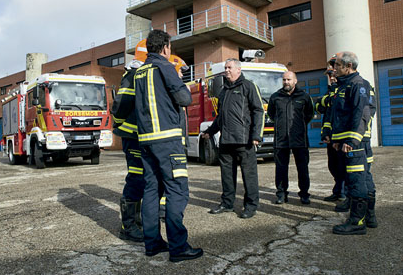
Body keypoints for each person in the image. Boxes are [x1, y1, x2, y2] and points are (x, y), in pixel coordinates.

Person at [134, 29, 203, 262]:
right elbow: (185, 99)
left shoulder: (139, 72)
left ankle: (152, 243)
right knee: (176, 190)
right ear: (165, 48)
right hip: (168, 140)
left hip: (146, 141)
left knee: (151, 191)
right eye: (170, 48)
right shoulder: (165, 67)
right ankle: (178, 247)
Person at [202, 58, 264, 219]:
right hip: (226, 141)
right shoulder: (223, 91)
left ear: (238, 69)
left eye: (229, 67)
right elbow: (220, 117)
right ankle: (227, 203)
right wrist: (210, 130)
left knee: (249, 176)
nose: (226, 70)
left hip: (244, 141)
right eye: (225, 68)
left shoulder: (249, 86)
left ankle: (250, 206)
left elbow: (259, 111)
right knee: (227, 175)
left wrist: (257, 135)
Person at [323, 51, 377, 235]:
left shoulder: (358, 85)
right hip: (346, 142)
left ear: (348, 67)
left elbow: (360, 114)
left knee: (357, 181)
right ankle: (367, 218)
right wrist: (337, 140)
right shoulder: (343, 86)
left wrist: (352, 140)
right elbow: (338, 116)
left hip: (356, 143)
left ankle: (357, 222)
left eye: (337, 65)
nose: (334, 68)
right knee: (359, 179)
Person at [111, 58, 146, 242]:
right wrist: (119, 124)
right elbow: (121, 104)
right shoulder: (132, 76)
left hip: (139, 137)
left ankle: (136, 222)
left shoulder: (138, 75)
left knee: (141, 180)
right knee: (136, 178)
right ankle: (128, 226)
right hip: (132, 137)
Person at [267, 71, 314, 205]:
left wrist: (299, 127)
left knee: (303, 168)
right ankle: (281, 194)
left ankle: (304, 194)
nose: (286, 82)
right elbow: (271, 114)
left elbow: (309, 115)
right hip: (281, 140)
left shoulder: (304, 97)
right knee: (281, 169)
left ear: (295, 81)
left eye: (289, 79)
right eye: (284, 80)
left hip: (300, 140)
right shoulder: (275, 97)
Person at [316, 56, 345, 202]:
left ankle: (344, 193)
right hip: (331, 137)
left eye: (332, 74)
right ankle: (338, 190)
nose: (331, 77)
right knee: (333, 165)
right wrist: (326, 133)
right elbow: (323, 110)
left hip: (343, 136)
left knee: (343, 166)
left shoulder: (344, 89)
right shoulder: (330, 92)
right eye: (329, 75)